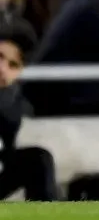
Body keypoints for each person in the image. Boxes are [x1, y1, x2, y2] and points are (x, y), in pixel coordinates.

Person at [0, 19, 59, 201]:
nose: (2, 69)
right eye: (0, 57)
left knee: (38, 159)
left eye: (13, 65)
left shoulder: (14, 100)